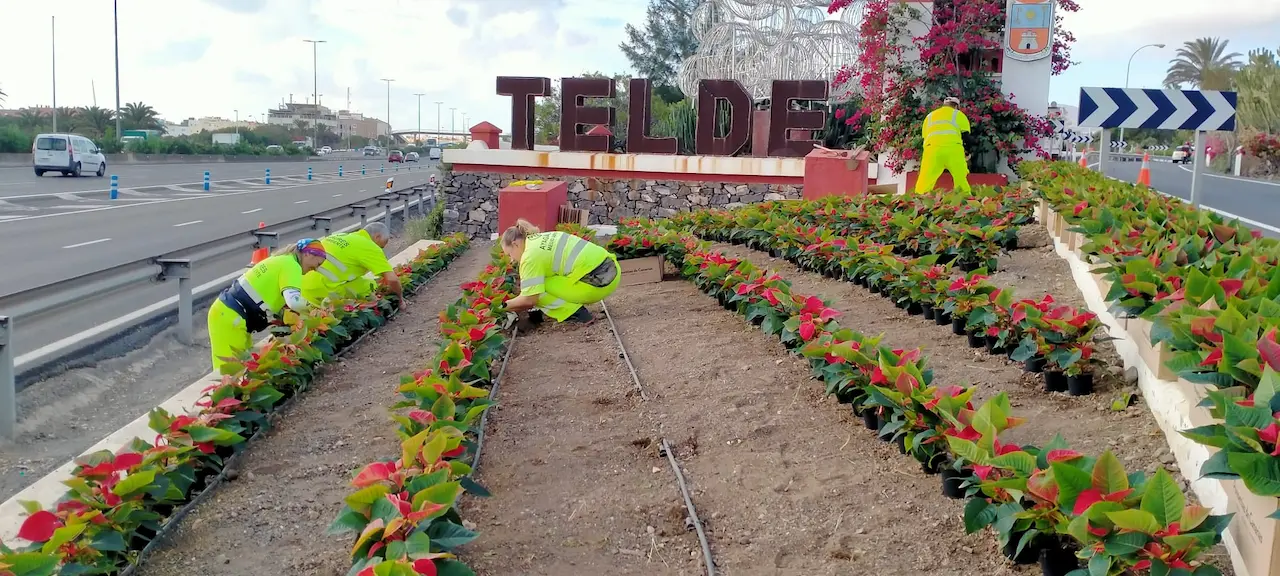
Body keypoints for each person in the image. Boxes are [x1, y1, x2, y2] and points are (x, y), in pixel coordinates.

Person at [207, 238, 327, 371]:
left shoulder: (283, 260)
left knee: (241, 368)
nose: (316, 268)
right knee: (229, 372)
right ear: (308, 254)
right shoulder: (292, 266)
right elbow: (294, 301)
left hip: (232, 314)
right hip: (231, 317)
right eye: (318, 263)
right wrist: (315, 309)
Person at [499, 219, 621, 324]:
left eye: (509, 254)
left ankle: (575, 313)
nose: (511, 260)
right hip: (613, 273)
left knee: (536, 288)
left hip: (597, 284)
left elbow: (529, 300)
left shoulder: (530, 256)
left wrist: (502, 307)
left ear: (515, 244)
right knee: (539, 281)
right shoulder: (543, 237)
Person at [300, 222, 402, 306]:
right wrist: (400, 300)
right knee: (370, 285)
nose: (381, 249)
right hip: (324, 292)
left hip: (302, 289)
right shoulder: (370, 247)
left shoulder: (342, 236)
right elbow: (392, 279)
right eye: (382, 245)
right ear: (377, 237)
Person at [915, 96, 973, 195]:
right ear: (956, 106)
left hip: (932, 150)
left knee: (925, 178)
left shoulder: (930, 116)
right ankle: (964, 200)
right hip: (953, 150)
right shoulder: (958, 114)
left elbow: (925, 136)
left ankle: (918, 200)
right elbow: (966, 136)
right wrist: (968, 151)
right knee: (960, 177)